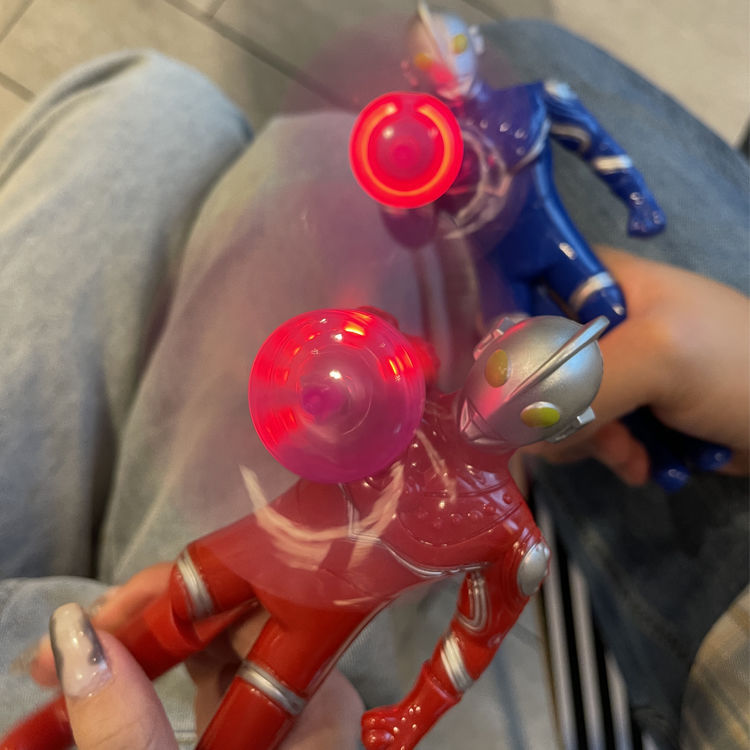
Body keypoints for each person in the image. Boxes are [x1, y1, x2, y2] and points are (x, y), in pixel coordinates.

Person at [0, 17, 747, 750]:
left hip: (302, 634)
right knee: (213, 118)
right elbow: (344, 346)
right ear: (493, 344)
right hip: (244, 555)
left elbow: (472, 639)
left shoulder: (508, 534)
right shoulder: (423, 403)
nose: (508, 399)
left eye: (539, 406)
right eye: (504, 371)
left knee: (155, 101)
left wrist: (411, 716)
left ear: (563, 423)